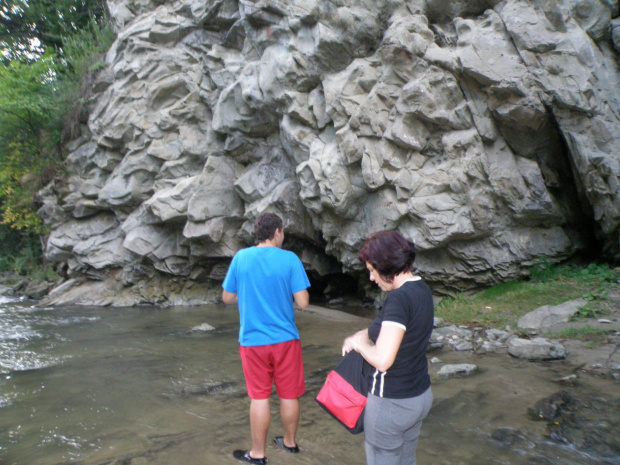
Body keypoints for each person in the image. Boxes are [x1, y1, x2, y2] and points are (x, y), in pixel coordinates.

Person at [222, 212, 310, 465]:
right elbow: (303, 303)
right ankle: (290, 444)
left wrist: (248, 295)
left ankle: (258, 455)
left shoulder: (241, 258)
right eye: (283, 232)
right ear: (277, 232)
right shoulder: (290, 259)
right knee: (288, 394)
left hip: (253, 342)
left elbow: (227, 298)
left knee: (259, 397)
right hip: (286, 340)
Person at [342, 230, 434, 465]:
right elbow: (386, 330)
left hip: (391, 403)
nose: (372, 278)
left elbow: (383, 360)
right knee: (406, 459)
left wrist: (361, 346)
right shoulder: (421, 290)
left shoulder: (398, 299)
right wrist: (360, 335)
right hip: (419, 396)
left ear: (386, 264)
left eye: (373, 271)